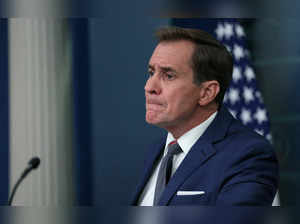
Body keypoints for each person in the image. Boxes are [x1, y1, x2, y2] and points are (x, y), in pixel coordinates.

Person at [131, 26, 278, 206]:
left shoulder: (249, 156)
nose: (149, 87)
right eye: (151, 72)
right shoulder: (158, 150)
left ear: (207, 93)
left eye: (168, 75)